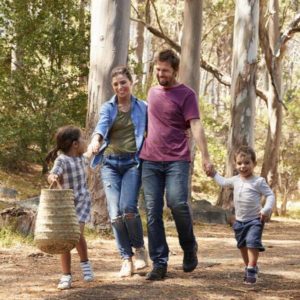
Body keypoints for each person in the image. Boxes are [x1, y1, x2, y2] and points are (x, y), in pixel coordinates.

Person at [139, 49, 212, 280]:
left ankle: (189, 246)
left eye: (165, 71)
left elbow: (196, 125)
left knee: (178, 203)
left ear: (175, 70)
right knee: (152, 211)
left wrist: (205, 156)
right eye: (158, 70)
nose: (161, 74)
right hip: (150, 160)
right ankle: (159, 263)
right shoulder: (151, 93)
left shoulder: (186, 94)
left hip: (177, 160)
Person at [89, 66, 148, 277]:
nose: (120, 87)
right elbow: (102, 126)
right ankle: (125, 258)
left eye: (123, 82)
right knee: (115, 215)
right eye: (115, 84)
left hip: (133, 163)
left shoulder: (143, 107)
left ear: (131, 82)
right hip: (111, 164)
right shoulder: (108, 107)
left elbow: (156, 129)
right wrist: (96, 140)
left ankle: (140, 250)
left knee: (128, 208)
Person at [207, 145, 275, 284]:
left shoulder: (258, 181)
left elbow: (270, 195)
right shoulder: (236, 179)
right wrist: (213, 173)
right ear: (235, 164)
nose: (243, 166)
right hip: (239, 221)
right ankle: (250, 266)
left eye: (247, 163)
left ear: (254, 164)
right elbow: (224, 182)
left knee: (252, 243)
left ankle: (251, 269)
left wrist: (266, 210)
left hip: (255, 219)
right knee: (242, 245)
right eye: (239, 163)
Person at [46, 125, 94, 290]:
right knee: (65, 239)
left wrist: (97, 144)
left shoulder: (82, 158)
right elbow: (54, 173)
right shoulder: (62, 160)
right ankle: (66, 275)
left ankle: (85, 264)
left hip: (82, 203)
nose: (85, 142)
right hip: (66, 205)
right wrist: (52, 177)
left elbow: (91, 153)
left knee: (76, 235)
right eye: (83, 139)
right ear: (75, 144)